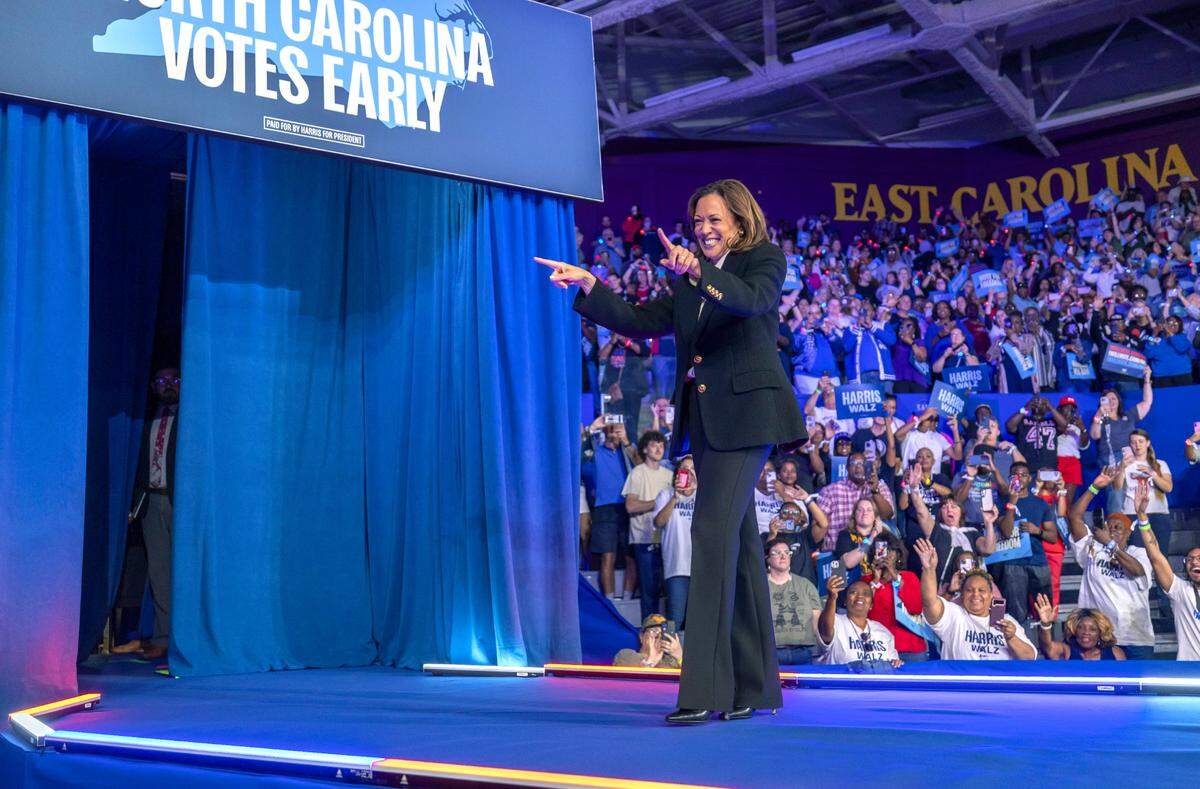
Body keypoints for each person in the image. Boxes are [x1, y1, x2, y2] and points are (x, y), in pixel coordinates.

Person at [538, 178, 806, 724]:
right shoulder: (690, 283)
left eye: (714, 220)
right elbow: (641, 320)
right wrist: (591, 285)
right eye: (698, 221)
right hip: (707, 422)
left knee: (709, 534)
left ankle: (705, 689)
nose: (703, 229)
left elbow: (752, 302)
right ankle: (754, 686)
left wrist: (697, 272)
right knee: (740, 546)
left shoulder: (763, 259)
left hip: (750, 418)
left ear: (738, 219)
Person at [116, 367, 180, 661]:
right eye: (162, 381)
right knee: (159, 572)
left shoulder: (191, 419)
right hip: (152, 501)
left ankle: (190, 638)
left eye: (174, 380)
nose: (168, 386)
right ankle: (162, 638)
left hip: (180, 502)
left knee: (185, 572)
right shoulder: (146, 419)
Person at [1066, 474, 1155, 659]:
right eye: (1110, 526)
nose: (1113, 530)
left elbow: (1137, 570)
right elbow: (1074, 517)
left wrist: (1110, 544)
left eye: (1118, 527)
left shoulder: (1138, 552)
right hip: (1101, 638)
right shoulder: (1093, 547)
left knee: (1140, 687)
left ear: (1129, 534)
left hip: (1135, 638)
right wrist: (1094, 487)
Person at [913, 539, 1037, 660]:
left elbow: (1030, 657)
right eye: (969, 590)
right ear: (961, 594)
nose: (975, 594)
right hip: (962, 680)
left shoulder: (1006, 621)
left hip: (996, 680)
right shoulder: (954, 616)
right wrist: (929, 569)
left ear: (991, 595)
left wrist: (1011, 637)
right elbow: (930, 603)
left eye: (981, 590)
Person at [1137, 504, 1200, 661]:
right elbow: (1156, 558)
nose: (1194, 562)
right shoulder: (1181, 590)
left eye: (1199, 559)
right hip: (1189, 672)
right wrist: (1142, 517)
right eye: (1190, 559)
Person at [623, 430, 674, 621]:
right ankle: (649, 633)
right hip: (644, 539)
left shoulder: (670, 475)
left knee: (666, 589)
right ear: (644, 449)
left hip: (666, 539)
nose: (659, 449)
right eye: (654, 445)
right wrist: (658, 503)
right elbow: (630, 505)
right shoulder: (637, 473)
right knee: (649, 590)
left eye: (661, 445)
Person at [588, 420, 637, 600]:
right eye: (609, 424)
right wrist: (593, 427)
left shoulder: (628, 450)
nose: (613, 428)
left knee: (631, 558)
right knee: (607, 557)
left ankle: (626, 599)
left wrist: (625, 439)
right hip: (604, 508)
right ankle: (610, 603)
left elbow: (642, 465)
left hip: (628, 507)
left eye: (617, 424)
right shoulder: (596, 451)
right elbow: (575, 451)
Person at [861, 532, 929, 662]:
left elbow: (915, 609)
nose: (886, 554)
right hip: (879, 649)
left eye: (890, 550)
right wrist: (875, 581)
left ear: (897, 554)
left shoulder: (909, 577)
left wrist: (895, 577)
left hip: (910, 648)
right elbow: (862, 614)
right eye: (881, 549)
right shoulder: (866, 581)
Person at [815, 453, 895, 551]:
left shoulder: (879, 486)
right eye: (854, 463)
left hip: (871, 554)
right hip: (837, 554)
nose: (858, 467)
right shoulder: (830, 491)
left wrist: (875, 491)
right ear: (847, 467)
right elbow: (818, 528)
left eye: (862, 464)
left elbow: (888, 515)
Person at [1112, 428, 1173, 556]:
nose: (1137, 445)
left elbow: (1168, 487)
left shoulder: (1160, 464)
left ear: (1148, 443)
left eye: (1141, 441)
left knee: (1161, 556)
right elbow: (1116, 486)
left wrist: (1152, 474)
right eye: (1133, 442)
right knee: (1137, 556)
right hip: (1132, 514)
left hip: (1158, 515)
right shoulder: (1123, 464)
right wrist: (1122, 467)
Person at [817, 575, 902, 667]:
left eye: (866, 594)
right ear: (845, 601)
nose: (860, 596)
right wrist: (832, 597)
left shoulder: (883, 632)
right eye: (853, 592)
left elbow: (894, 665)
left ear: (871, 605)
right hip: (843, 681)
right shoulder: (835, 621)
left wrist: (896, 663)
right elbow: (826, 630)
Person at [654, 457, 697, 629]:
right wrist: (675, 498)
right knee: (675, 621)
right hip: (677, 567)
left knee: (697, 624)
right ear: (678, 474)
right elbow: (658, 522)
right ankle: (671, 656)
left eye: (693, 468)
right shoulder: (666, 494)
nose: (689, 471)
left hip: (701, 569)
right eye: (685, 468)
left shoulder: (705, 496)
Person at [765, 538, 822, 665]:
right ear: (767, 558)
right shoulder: (759, 586)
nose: (783, 556)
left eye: (786, 552)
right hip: (771, 652)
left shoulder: (806, 585)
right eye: (776, 553)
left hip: (803, 652)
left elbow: (816, 619)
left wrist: (820, 650)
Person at [1032, 595, 1126, 661]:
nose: (1086, 632)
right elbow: (1047, 647)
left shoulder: (1115, 653)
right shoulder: (1066, 650)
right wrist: (1045, 624)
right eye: (1081, 628)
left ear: (1100, 633)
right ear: (1074, 630)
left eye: (1092, 629)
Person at [614, 614, 684, 669]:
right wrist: (652, 660)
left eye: (663, 632)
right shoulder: (626, 655)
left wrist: (680, 656)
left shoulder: (671, 662)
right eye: (654, 631)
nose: (659, 636)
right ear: (641, 636)